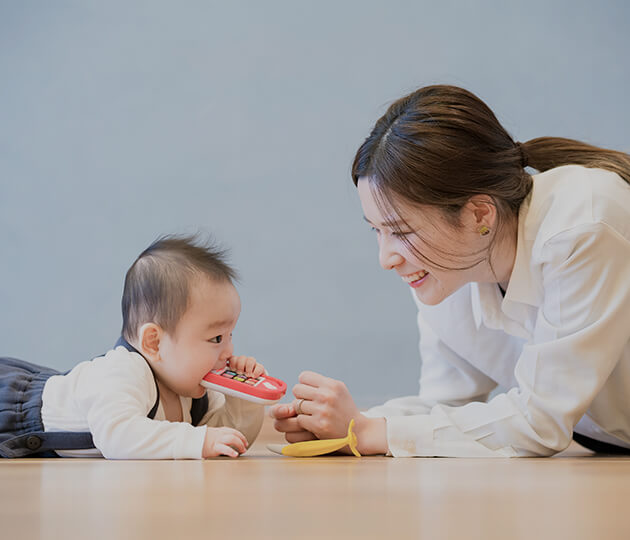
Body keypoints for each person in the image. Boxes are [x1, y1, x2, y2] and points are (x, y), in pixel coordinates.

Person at [270, 84, 630, 457]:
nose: (387, 258)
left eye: (402, 232)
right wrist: (348, 425)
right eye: (377, 231)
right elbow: (447, 409)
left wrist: (371, 433)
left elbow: (539, 423)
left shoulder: (583, 225)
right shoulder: (447, 272)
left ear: (478, 214)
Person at [0, 235, 265, 459]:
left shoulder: (191, 386)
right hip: (14, 413)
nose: (229, 351)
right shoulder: (123, 372)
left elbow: (227, 441)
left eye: (231, 335)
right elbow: (117, 435)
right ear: (154, 342)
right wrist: (195, 441)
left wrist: (242, 402)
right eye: (217, 338)